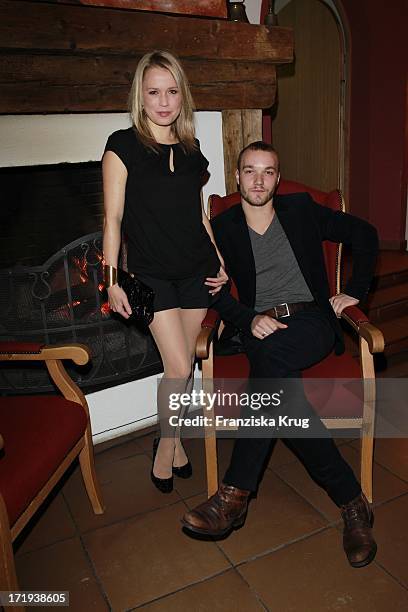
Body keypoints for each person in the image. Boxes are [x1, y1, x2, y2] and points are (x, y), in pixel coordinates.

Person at [181, 141, 379, 568]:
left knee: (269, 367)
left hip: (311, 322)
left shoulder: (302, 209)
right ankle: (352, 503)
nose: (258, 180)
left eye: (267, 171)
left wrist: (355, 292)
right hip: (260, 327)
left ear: (277, 177)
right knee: (275, 376)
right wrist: (248, 318)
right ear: (237, 177)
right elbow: (207, 289)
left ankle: (234, 496)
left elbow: (365, 235)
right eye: (249, 171)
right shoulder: (223, 226)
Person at [102, 50, 227, 494]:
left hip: (197, 270)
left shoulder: (193, 152)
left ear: (182, 96)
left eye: (172, 91)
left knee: (186, 363)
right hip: (152, 275)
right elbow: (112, 220)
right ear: (141, 94)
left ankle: (172, 444)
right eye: (154, 91)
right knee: (177, 365)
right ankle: (165, 447)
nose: (163, 101)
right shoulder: (122, 146)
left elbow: (201, 216)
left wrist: (221, 261)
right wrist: (112, 279)